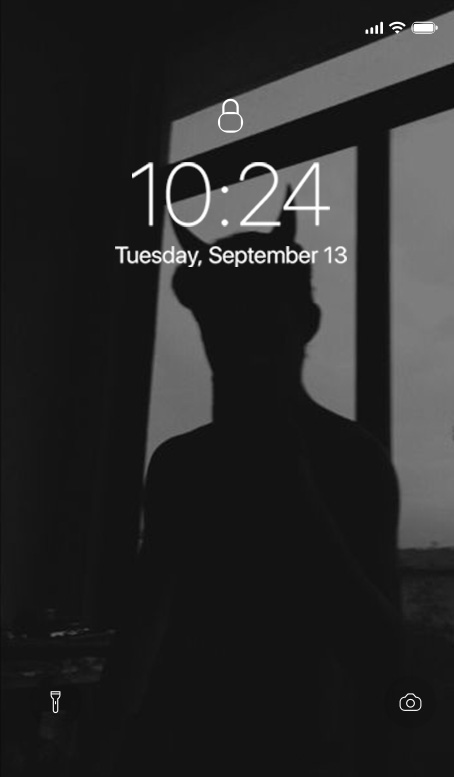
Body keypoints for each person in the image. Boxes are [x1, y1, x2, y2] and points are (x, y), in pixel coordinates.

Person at [79, 197, 401, 776]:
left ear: (304, 322)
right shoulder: (183, 465)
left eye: (257, 318)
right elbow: (142, 633)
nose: (238, 340)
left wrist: (297, 497)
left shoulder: (353, 461)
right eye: (223, 318)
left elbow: (384, 658)